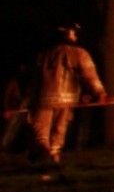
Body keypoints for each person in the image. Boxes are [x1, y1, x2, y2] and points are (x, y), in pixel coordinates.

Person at [28, 24, 107, 165]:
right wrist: (99, 92)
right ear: (69, 35)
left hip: (43, 98)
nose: (76, 37)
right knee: (59, 128)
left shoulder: (44, 54)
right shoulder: (78, 53)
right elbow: (89, 74)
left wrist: (31, 100)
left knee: (41, 130)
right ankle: (53, 153)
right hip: (65, 98)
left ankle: (43, 149)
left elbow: (34, 79)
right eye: (74, 34)